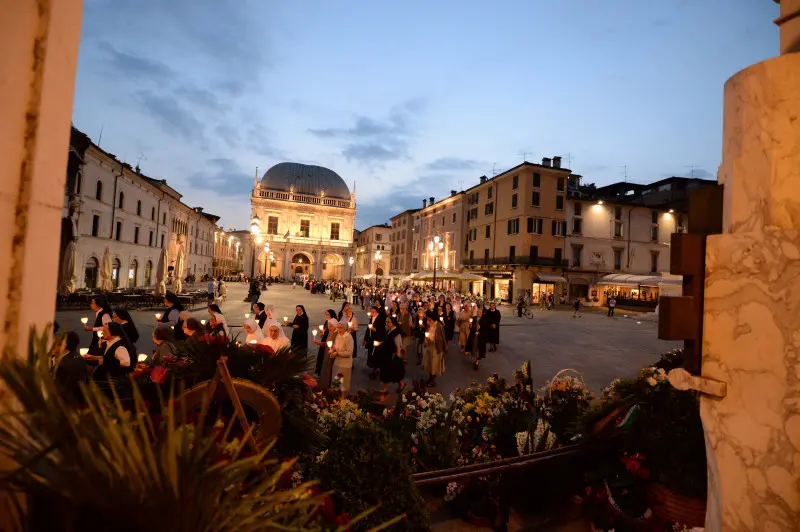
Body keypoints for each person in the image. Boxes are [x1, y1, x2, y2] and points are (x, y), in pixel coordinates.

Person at [54, 331, 87, 404]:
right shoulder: (73, 357)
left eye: (56, 343)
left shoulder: (69, 363)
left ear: (63, 344)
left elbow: (65, 387)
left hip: (68, 402)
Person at [379, 316, 406, 397]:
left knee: (394, 372)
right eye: (386, 322)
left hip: (392, 356)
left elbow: (398, 346)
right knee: (387, 372)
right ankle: (385, 388)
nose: (386, 324)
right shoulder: (388, 330)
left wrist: (397, 358)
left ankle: (400, 384)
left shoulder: (396, 333)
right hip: (386, 355)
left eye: (388, 322)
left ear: (393, 323)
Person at [423, 311, 447, 387]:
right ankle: (430, 378)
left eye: (429, 320)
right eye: (427, 319)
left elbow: (441, 339)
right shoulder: (429, 325)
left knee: (434, 365)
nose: (428, 321)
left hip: (436, 348)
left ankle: (433, 381)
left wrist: (430, 339)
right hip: (429, 347)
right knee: (430, 364)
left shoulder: (439, 326)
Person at [330, 320, 354, 391]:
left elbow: (349, 353)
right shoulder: (338, 335)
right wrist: (332, 350)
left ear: (345, 328)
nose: (338, 330)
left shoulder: (348, 337)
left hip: (345, 364)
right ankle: (335, 398)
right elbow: (335, 345)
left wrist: (337, 353)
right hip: (337, 362)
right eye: (338, 327)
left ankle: (342, 399)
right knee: (336, 382)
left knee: (343, 384)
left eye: (340, 328)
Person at [314, 309, 338, 375]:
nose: (326, 315)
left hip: (330, 344)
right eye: (326, 314)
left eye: (328, 314)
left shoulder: (334, 323)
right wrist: (322, 333)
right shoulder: (327, 322)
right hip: (326, 340)